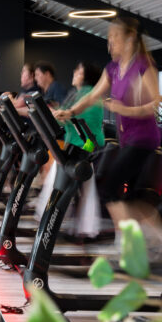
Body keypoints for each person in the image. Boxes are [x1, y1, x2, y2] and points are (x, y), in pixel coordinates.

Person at [56, 17, 162, 261]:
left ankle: (125, 245)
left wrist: (123, 108)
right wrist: (70, 112)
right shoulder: (113, 69)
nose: (110, 44)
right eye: (109, 39)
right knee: (135, 198)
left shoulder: (143, 65)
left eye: (114, 38)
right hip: (128, 139)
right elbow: (92, 96)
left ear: (129, 39)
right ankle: (160, 241)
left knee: (108, 189)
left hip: (144, 138)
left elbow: (153, 105)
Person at [36, 62, 105, 238]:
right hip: (77, 142)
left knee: (68, 181)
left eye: (79, 71)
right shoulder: (77, 93)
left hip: (87, 143)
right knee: (64, 181)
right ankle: (73, 226)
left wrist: (59, 115)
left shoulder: (88, 93)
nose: (74, 72)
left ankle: (71, 227)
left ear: (86, 76)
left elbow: (81, 116)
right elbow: (64, 115)